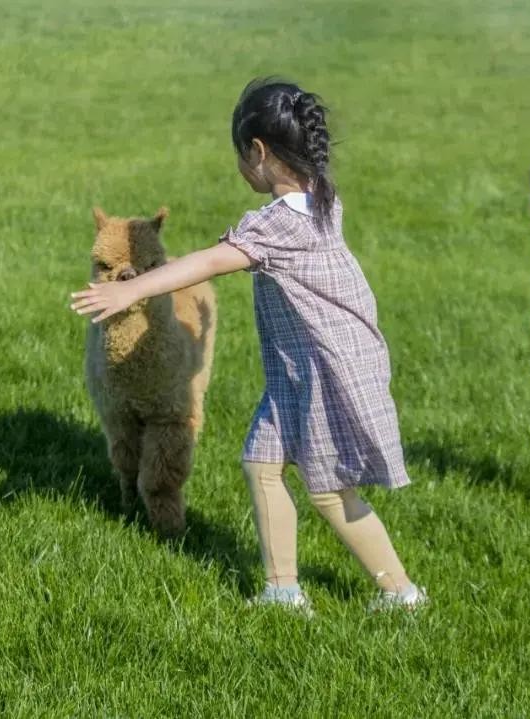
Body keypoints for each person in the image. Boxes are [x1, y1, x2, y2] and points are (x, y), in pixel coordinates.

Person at [70, 78, 425, 613]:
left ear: (257, 153)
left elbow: (212, 262)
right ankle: (283, 590)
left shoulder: (280, 224)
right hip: (296, 369)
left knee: (330, 491)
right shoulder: (321, 199)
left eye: (240, 155)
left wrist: (136, 286)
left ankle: (400, 593)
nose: (240, 166)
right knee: (262, 465)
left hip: (326, 370)